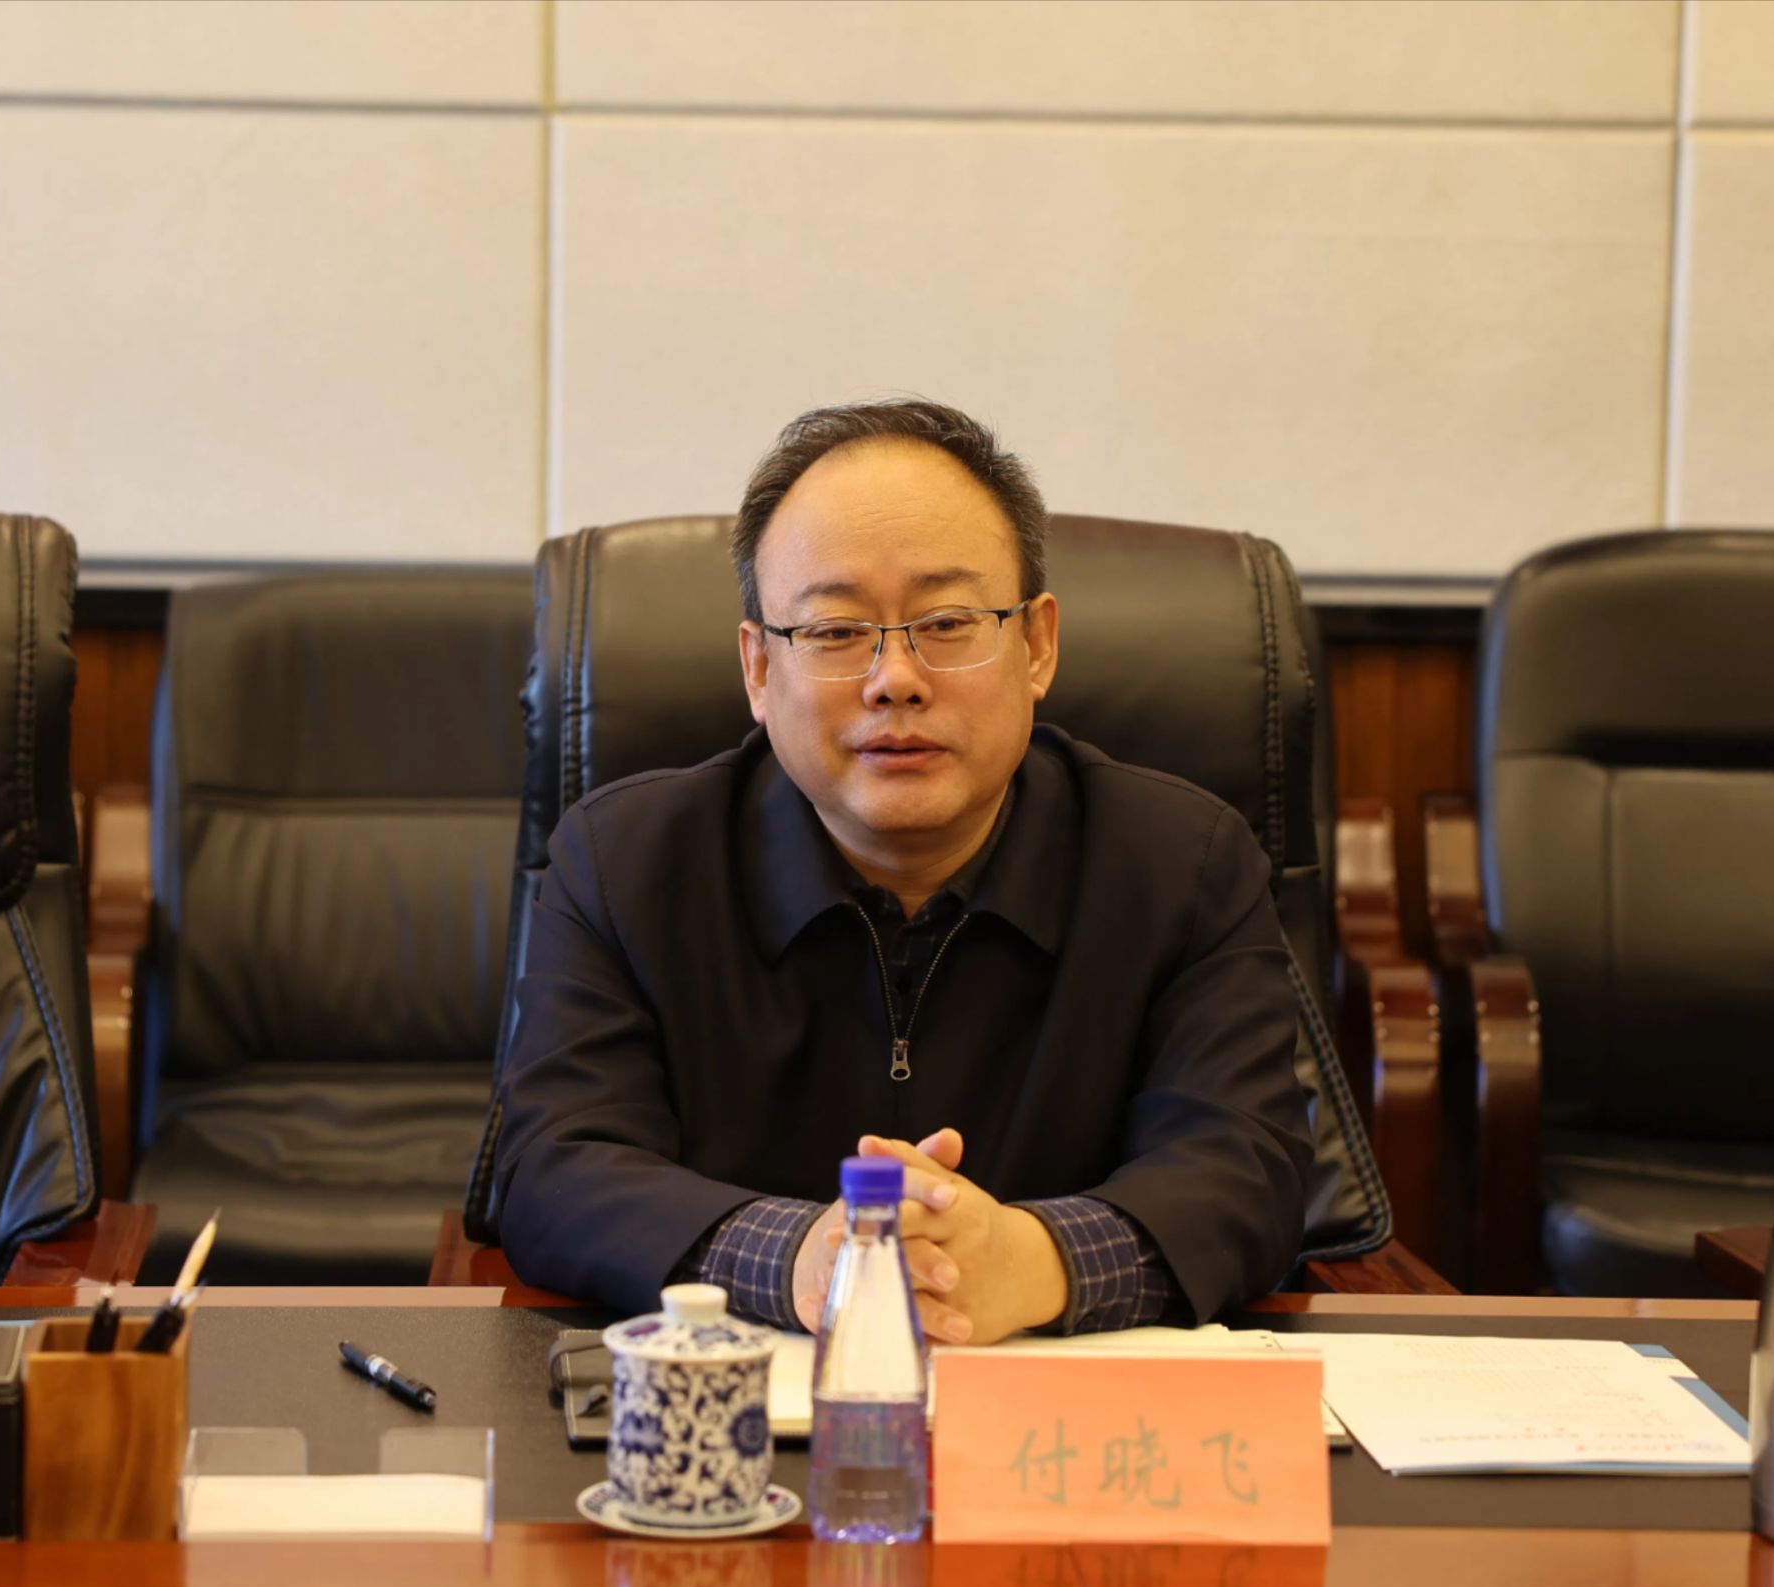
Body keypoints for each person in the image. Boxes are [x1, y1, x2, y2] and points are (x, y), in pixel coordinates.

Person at [494, 400, 1312, 1342]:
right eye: (835, 630)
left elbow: (1251, 1166)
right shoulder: (624, 864)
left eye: (948, 621)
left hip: (1070, 1412)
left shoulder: (1183, 864)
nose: (896, 679)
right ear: (759, 669)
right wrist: (804, 1258)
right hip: (746, 1407)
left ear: (1038, 645)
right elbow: (554, 1166)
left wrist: (1030, 1261)